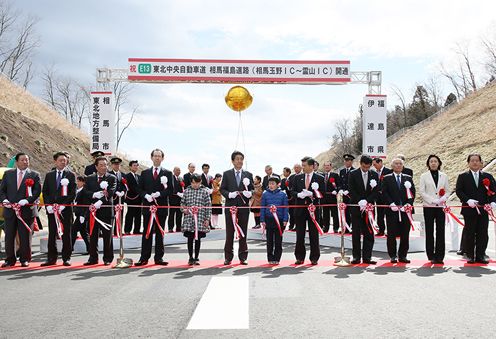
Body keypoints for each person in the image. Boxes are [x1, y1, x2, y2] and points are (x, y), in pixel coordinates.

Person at [0, 153, 41, 268]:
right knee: (9, 236)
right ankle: (10, 259)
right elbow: (2, 190)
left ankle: (25, 259)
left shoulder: (34, 175)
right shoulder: (8, 174)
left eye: (27, 160)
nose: (25, 162)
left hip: (26, 210)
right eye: (22, 160)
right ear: (16, 162)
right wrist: (5, 200)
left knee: (25, 236)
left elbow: (37, 192)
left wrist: (27, 200)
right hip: (10, 210)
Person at [455, 153, 496, 264]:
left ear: (480, 162)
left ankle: (481, 255)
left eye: (477, 160)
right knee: (470, 232)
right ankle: (470, 255)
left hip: (483, 209)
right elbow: (459, 191)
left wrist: (493, 201)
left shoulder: (487, 176)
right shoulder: (463, 176)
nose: (474, 162)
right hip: (469, 209)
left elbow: (493, 191)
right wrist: (468, 200)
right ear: (468, 163)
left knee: (483, 232)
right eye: (472, 160)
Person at [135, 149, 172, 266]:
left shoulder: (168, 173)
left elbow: (171, 190)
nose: (157, 158)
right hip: (148, 207)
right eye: (155, 156)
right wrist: (145, 195)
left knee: (160, 233)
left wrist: (160, 194)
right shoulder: (145, 173)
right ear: (151, 157)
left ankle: (159, 257)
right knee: (147, 232)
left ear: (162, 158)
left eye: (159, 156)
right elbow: (139, 189)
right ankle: (144, 257)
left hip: (161, 207)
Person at [41, 152, 77, 266]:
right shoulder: (49, 175)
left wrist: (64, 205)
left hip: (65, 210)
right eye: (61, 160)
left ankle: (66, 258)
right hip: (52, 209)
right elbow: (45, 192)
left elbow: (73, 193)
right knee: (52, 234)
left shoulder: (71, 175)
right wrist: (48, 205)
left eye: (65, 160)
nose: (63, 162)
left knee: (67, 234)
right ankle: (51, 258)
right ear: (55, 161)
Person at [220, 150, 254, 265]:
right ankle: (228, 257)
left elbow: (252, 189)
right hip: (231, 206)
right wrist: (229, 194)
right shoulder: (227, 174)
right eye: (237, 159)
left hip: (244, 207)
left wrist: (250, 193)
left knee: (243, 231)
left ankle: (243, 256)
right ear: (233, 161)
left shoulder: (248, 174)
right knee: (230, 232)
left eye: (241, 159)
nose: (240, 161)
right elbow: (222, 189)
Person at [291, 156, 325, 265]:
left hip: (313, 210)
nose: (303, 167)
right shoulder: (297, 178)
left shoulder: (319, 178)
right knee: (300, 235)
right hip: (300, 210)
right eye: (302, 165)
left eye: (304, 165)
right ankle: (299, 257)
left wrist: (313, 193)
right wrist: (299, 195)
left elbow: (323, 193)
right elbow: (292, 191)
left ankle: (314, 257)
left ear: (311, 166)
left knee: (313, 235)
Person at [83, 157, 117, 266]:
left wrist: (100, 202)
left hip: (106, 212)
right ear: (96, 166)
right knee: (93, 236)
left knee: (107, 236)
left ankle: (108, 258)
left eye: (105, 165)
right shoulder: (89, 178)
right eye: (101, 165)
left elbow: (111, 192)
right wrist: (93, 195)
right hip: (93, 212)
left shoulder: (112, 178)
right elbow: (85, 191)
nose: (104, 167)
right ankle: (93, 258)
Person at [382, 158, 416, 263]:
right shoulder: (387, 178)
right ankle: (392, 255)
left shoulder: (408, 178)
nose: (398, 165)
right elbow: (384, 192)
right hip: (392, 210)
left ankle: (403, 255)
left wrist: (408, 204)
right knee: (391, 234)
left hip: (405, 210)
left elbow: (412, 192)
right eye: (396, 164)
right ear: (392, 166)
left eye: (400, 164)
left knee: (405, 234)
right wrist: (391, 203)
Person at [348, 155, 380, 265]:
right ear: (360, 163)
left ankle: (367, 257)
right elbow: (351, 189)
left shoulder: (374, 174)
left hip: (369, 208)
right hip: (356, 207)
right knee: (356, 233)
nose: (366, 169)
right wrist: (359, 201)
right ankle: (356, 257)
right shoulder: (353, 174)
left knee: (369, 233)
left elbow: (376, 191)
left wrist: (367, 201)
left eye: (368, 167)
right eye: (364, 166)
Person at [419, 155, 450, 264]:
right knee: (429, 230)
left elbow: (448, 190)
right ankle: (431, 255)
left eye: (435, 161)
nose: (433, 163)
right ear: (428, 164)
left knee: (440, 231)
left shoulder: (444, 176)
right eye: (431, 161)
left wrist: (443, 198)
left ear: (439, 163)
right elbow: (422, 192)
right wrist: (432, 200)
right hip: (429, 206)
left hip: (441, 206)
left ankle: (440, 256)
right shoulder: (424, 176)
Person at [180, 174, 212, 265]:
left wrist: (207, 219)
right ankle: (190, 257)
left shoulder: (205, 192)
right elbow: (182, 203)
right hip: (189, 219)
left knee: (198, 238)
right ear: (190, 182)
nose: (195, 184)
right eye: (193, 182)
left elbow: (208, 206)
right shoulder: (186, 191)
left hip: (200, 218)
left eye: (197, 182)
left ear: (200, 182)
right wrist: (184, 209)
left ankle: (197, 257)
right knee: (190, 238)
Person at [260, 177, 288, 265]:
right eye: (270, 183)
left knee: (278, 240)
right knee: (269, 240)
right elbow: (263, 208)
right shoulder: (265, 194)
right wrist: (262, 219)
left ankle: (277, 258)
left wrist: (285, 219)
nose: (271, 185)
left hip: (279, 220)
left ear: (278, 184)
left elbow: (285, 208)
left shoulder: (283, 194)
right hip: (269, 219)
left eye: (273, 183)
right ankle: (270, 258)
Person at [372, 158, 392, 236]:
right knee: (379, 215)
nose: (374, 166)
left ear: (380, 162)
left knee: (388, 215)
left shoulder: (388, 171)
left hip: (386, 197)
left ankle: (390, 230)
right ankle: (381, 230)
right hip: (378, 197)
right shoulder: (374, 173)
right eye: (373, 165)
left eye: (375, 164)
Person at [72, 175, 90, 254]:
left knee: (73, 230)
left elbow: (86, 204)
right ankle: (90, 249)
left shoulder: (84, 191)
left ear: (83, 182)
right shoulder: (77, 190)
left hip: (82, 215)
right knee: (84, 233)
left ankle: (70, 248)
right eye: (77, 181)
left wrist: (83, 215)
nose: (77, 183)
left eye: (79, 181)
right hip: (78, 214)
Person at [322, 161, 341, 233]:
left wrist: (336, 190)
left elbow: (339, 185)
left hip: (332, 197)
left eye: (328, 165)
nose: (327, 167)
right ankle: (325, 227)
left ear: (331, 166)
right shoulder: (321, 175)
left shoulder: (335, 175)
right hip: (324, 197)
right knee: (325, 213)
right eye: (325, 165)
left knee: (334, 213)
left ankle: (336, 228)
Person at [109, 157, 127, 235]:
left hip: (120, 199)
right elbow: (108, 186)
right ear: (112, 165)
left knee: (120, 215)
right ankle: (110, 232)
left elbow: (125, 185)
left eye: (118, 164)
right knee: (111, 215)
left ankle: (118, 231)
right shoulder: (108, 174)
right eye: (115, 164)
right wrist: (115, 192)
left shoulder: (123, 175)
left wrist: (123, 191)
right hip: (112, 198)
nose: (117, 166)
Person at [124, 160, 142, 234]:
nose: (136, 167)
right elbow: (131, 187)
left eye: (137, 165)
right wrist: (139, 191)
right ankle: (127, 230)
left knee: (138, 215)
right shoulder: (127, 176)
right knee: (130, 215)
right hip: (131, 199)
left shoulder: (139, 177)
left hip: (139, 199)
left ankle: (136, 230)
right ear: (130, 167)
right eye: (134, 165)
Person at [339, 154, 355, 231]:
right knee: (344, 212)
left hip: (351, 195)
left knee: (352, 211)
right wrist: (340, 189)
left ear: (351, 161)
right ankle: (346, 227)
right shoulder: (342, 171)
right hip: (343, 195)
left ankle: (353, 227)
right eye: (345, 161)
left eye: (348, 160)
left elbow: (355, 184)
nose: (346, 162)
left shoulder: (355, 171)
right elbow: (340, 182)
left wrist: (349, 190)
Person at [168, 166, 184, 232]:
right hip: (173, 199)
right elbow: (170, 188)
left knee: (179, 214)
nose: (178, 171)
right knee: (172, 214)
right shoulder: (171, 178)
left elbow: (183, 187)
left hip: (180, 200)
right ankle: (170, 228)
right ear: (173, 171)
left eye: (179, 170)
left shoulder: (181, 178)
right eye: (177, 170)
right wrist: (177, 193)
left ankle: (178, 227)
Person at [287, 164, 302, 230]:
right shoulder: (291, 177)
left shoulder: (304, 176)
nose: (296, 169)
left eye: (297, 167)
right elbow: (290, 188)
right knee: (292, 213)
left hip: (301, 197)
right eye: (295, 168)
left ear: (301, 168)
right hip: (292, 198)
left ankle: (298, 226)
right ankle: (291, 225)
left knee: (299, 213)